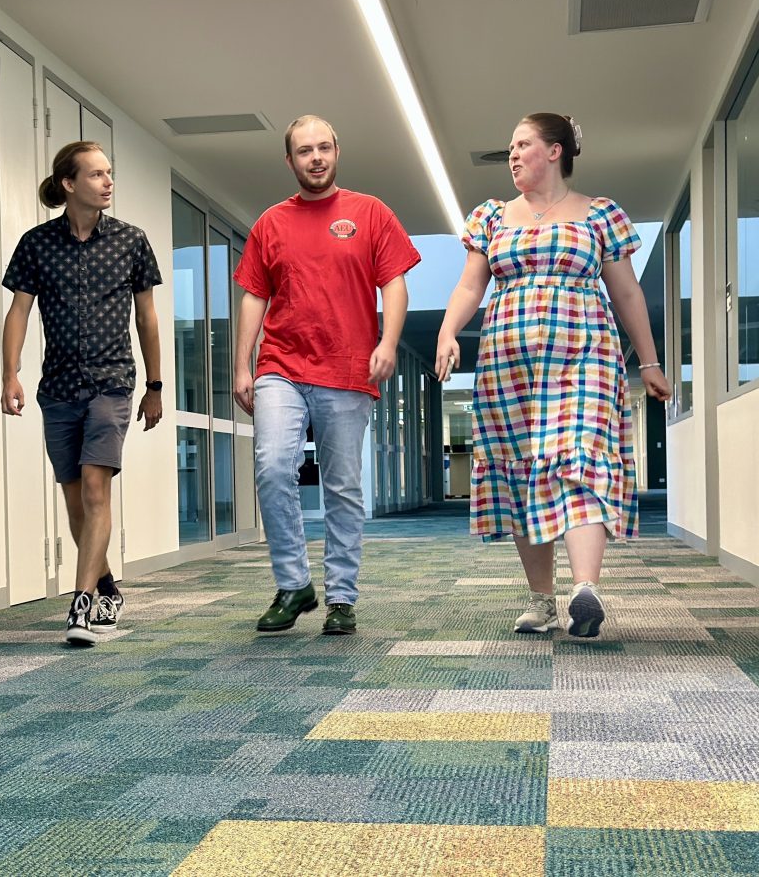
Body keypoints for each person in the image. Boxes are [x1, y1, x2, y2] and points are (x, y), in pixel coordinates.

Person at [434, 113, 671, 638]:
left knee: (581, 453)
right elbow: (471, 287)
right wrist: (448, 331)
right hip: (507, 362)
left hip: (585, 353)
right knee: (522, 468)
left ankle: (586, 589)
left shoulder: (598, 214)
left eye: (523, 145)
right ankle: (542, 600)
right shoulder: (492, 217)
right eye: (511, 147)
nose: (513, 155)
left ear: (556, 151)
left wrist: (649, 362)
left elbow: (626, 292)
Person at [233, 115, 420, 636]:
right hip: (281, 365)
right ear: (289, 160)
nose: (315, 158)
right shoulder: (271, 222)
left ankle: (341, 597)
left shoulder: (370, 212)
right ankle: (293, 584)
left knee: (342, 486)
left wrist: (386, 343)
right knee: (272, 468)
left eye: (323, 148)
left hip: (346, 366)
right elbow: (255, 294)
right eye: (303, 151)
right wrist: (241, 363)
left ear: (337, 150)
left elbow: (396, 285)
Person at [0, 141, 163, 647]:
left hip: (112, 382)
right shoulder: (36, 244)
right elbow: (19, 313)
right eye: (97, 174)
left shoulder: (132, 241)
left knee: (96, 488)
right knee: (75, 500)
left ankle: (81, 605)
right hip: (59, 387)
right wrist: (11, 374)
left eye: (110, 173)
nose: (108, 182)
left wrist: (155, 386)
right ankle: (107, 586)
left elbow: (147, 318)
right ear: (70, 184)